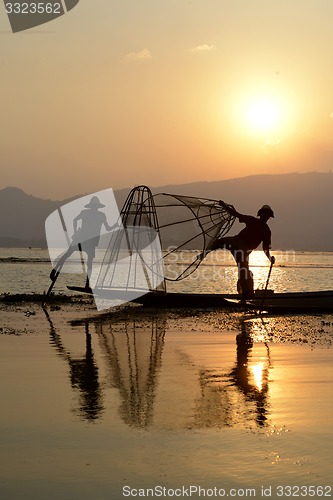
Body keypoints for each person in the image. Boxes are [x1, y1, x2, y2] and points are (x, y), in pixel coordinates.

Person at [200, 202, 275, 300]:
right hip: (235, 242)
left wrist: (270, 258)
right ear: (260, 215)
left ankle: (246, 296)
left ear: (269, 216)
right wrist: (224, 206)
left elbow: (265, 248)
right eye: (264, 214)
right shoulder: (252, 220)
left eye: (267, 215)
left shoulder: (266, 231)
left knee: (244, 272)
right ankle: (203, 254)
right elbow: (236, 214)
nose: (265, 216)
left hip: (243, 251)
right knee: (218, 242)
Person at [50, 196, 117, 289]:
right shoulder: (84, 213)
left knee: (89, 262)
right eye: (93, 206)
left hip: (91, 241)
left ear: (98, 206)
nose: (94, 208)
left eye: (96, 206)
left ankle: (87, 284)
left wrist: (115, 225)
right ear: (91, 206)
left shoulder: (101, 215)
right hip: (80, 238)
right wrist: (75, 232)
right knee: (67, 254)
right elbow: (75, 220)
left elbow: (108, 228)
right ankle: (54, 270)